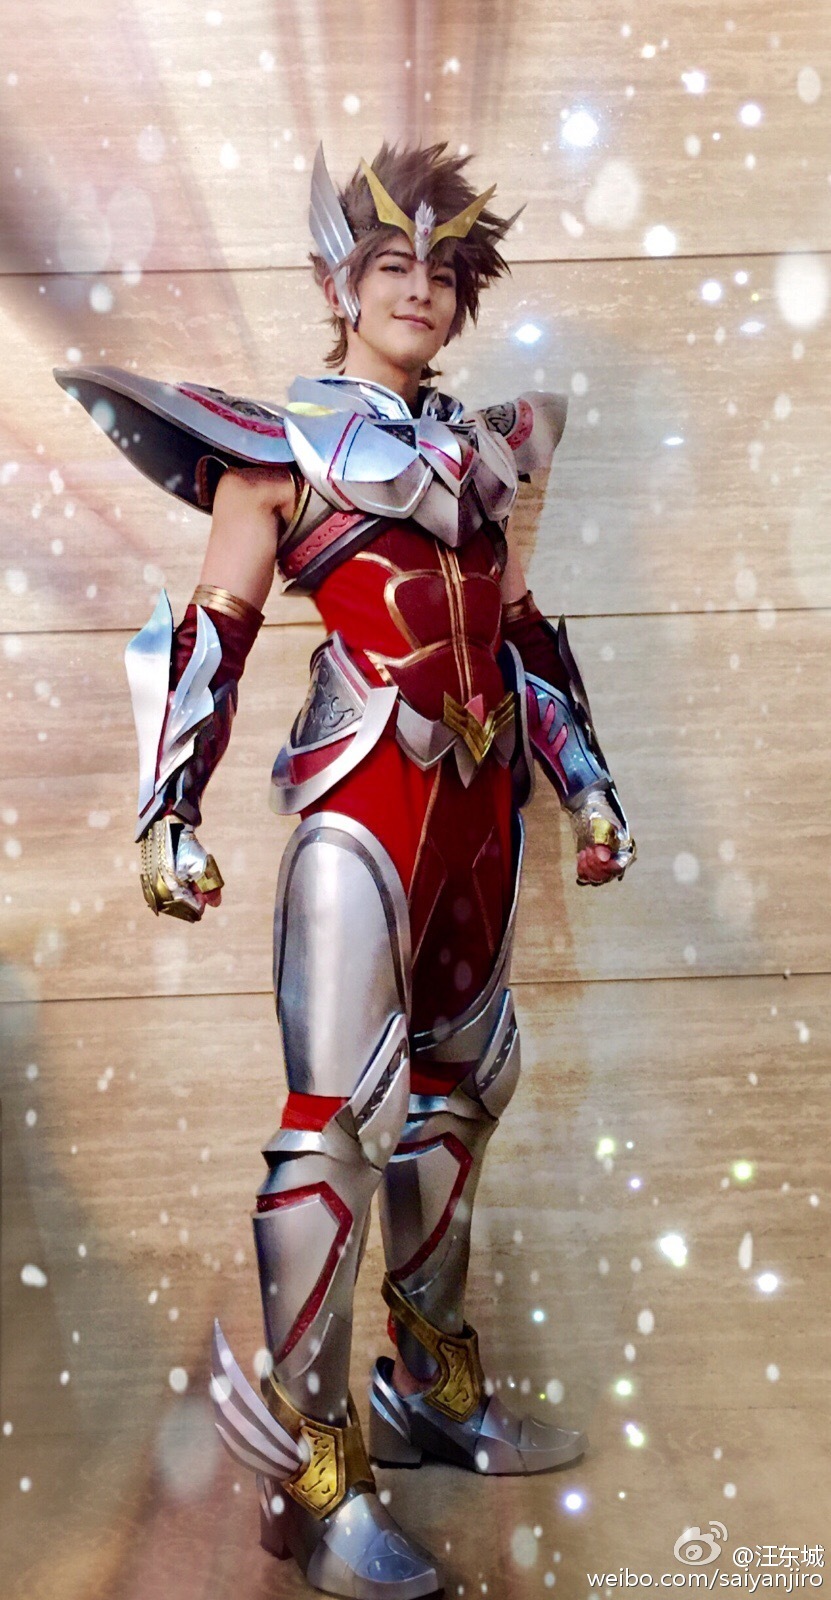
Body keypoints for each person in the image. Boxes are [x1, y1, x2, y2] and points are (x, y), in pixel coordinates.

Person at [54, 140, 635, 1600]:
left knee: (465, 1086)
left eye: (443, 271)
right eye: (392, 265)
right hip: (362, 808)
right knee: (334, 1127)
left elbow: (519, 632)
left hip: (481, 808)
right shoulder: (278, 450)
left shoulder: (489, 453)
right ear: (341, 281)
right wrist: (168, 809)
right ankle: (316, 1482)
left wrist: (588, 783)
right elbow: (214, 630)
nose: (419, 289)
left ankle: (428, 1386)